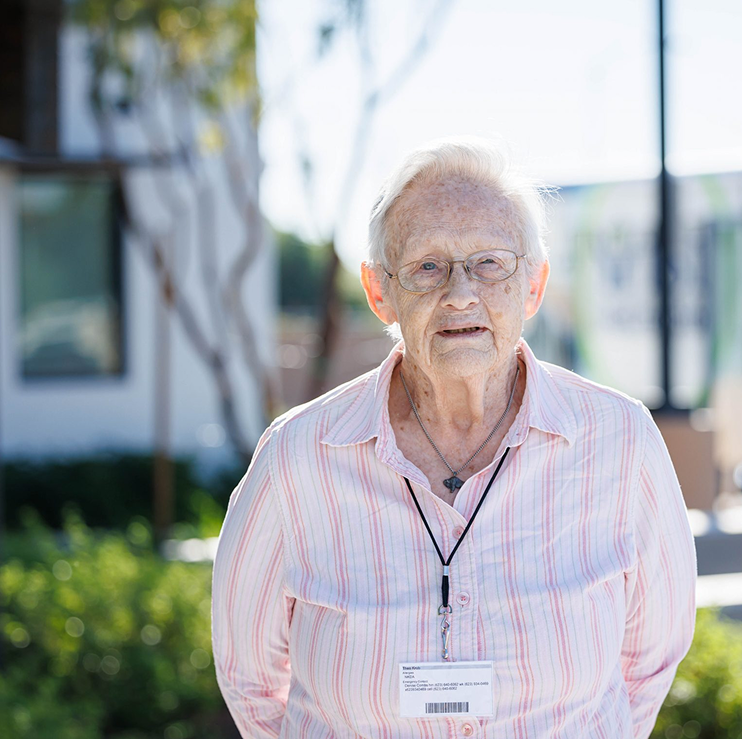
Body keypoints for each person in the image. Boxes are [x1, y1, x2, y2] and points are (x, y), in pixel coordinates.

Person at [212, 135, 697, 738]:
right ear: (379, 292)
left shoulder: (621, 444)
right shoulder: (295, 459)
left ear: (534, 286)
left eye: (491, 263)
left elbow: (652, 657)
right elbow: (248, 677)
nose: (460, 293)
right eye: (426, 267)